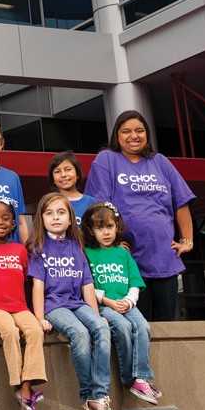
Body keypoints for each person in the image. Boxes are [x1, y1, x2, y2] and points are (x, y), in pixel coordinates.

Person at [84, 110, 196, 321]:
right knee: (138, 325)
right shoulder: (107, 159)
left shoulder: (160, 162)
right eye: (126, 131)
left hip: (164, 258)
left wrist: (187, 241)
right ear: (116, 135)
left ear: (147, 135)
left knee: (167, 325)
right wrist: (113, 244)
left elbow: (181, 201)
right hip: (126, 259)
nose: (133, 136)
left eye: (139, 130)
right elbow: (99, 209)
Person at [29, 193, 114, 410]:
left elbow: (88, 285)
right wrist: (38, 318)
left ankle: (100, 395)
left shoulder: (77, 247)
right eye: (49, 213)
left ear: (70, 218)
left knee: (101, 327)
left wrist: (97, 316)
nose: (55, 218)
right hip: (53, 305)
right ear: (41, 219)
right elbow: (38, 286)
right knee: (79, 333)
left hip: (77, 303)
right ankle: (88, 396)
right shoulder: (39, 248)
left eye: (61, 212)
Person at [81, 202, 162, 405]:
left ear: (117, 227)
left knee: (142, 325)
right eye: (100, 228)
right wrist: (107, 301)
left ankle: (141, 376)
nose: (106, 232)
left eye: (109, 226)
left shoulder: (123, 253)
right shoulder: (87, 254)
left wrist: (128, 300)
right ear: (91, 230)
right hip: (105, 305)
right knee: (123, 327)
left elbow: (135, 282)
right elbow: (87, 285)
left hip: (127, 303)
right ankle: (129, 378)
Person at [0, 201, 46, 410]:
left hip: (20, 306)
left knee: (35, 330)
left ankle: (26, 385)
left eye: (5, 218)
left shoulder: (20, 250)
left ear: (14, 223)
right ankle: (19, 386)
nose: (0, 223)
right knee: (10, 331)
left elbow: (27, 281)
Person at [48, 150, 95, 225]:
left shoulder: (91, 202)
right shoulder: (48, 202)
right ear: (53, 178)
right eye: (57, 172)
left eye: (68, 170)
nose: (63, 175)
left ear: (78, 174)